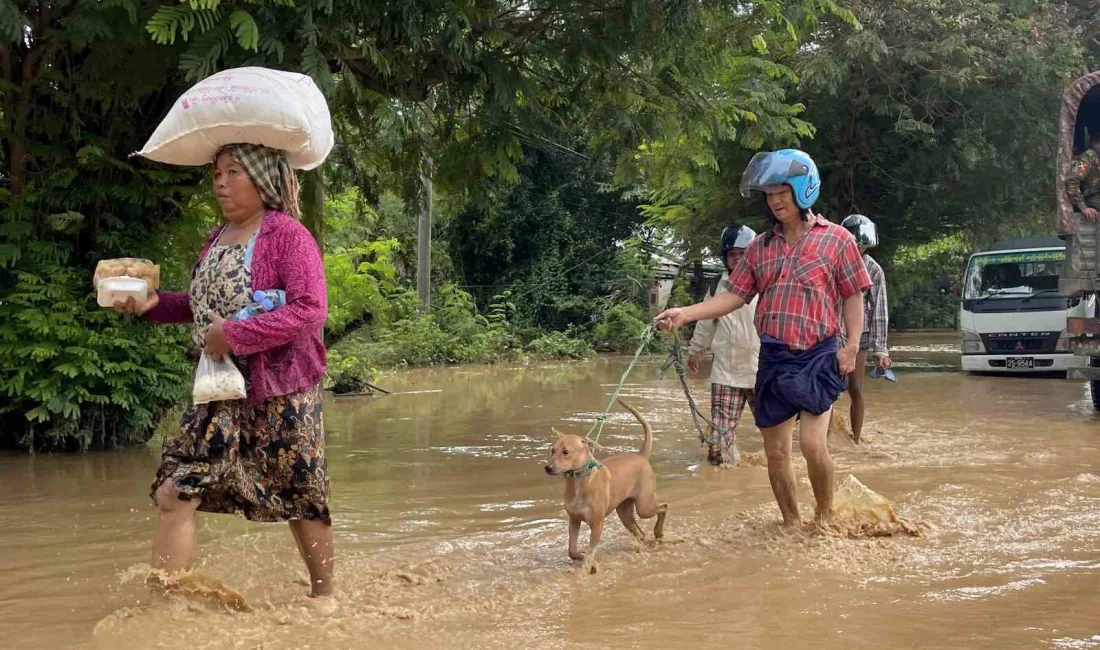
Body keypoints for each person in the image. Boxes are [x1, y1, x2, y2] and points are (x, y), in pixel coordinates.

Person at [113, 144, 334, 598]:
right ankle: (168, 610)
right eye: (217, 172)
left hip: (281, 389)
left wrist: (235, 336)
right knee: (175, 491)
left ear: (263, 179)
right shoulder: (216, 238)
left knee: (301, 498)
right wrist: (154, 304)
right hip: (217, 388)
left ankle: (325, 598)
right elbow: (202, 310)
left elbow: (311, 310)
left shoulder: (289, 236)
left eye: (234, 172)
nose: (220, 181)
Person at [655, 149, 872, 527]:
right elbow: (733, 296)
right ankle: (790, 523)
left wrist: (852, 346)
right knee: (775, 452)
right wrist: (685, 313)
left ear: (804, 190)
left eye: (781, 193)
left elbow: (853, 294)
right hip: (772, 357)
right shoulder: (760, 248)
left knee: (811, 444)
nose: (774, 201)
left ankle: (823, 517)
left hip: (819, 355)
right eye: (769, 195)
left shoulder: (837, 241)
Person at [687, 224, 760, 466]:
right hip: (726, 372)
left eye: (743, 254)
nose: (738, 259)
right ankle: (723, 472)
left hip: (762, 370)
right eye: (732, 255)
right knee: (718, 444)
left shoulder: (766, 282)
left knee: (776, 433)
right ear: (725, 258)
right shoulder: (718, 285)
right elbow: (705, 321)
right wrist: (695, 351)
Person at [839, 214, 891, 444]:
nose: (858, 248)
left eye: (861, 245)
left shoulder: (874, 270)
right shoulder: (833, 262)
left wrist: (881, 350)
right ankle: (825, 437)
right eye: (854, 244)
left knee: (855, 387)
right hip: (831, 330)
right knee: (826, 387)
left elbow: (879, 310)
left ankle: (856, 439)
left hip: (860, 334)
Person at [1066, 132, 1100, 221]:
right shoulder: (1088, 158)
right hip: (1091, 197)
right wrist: (1083, 207)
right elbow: (1072, 180)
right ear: (1096, 143)